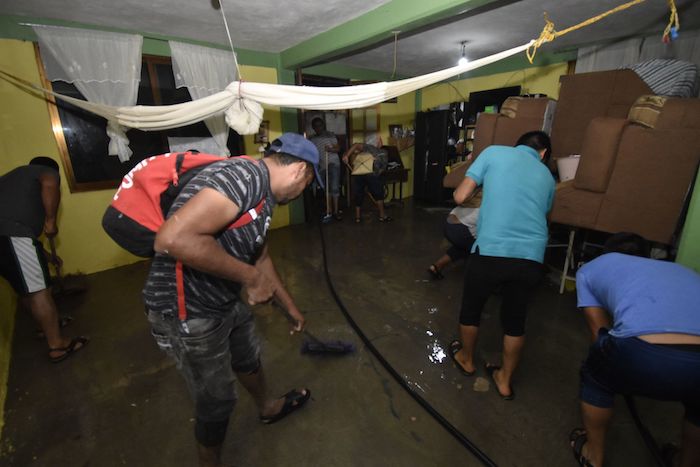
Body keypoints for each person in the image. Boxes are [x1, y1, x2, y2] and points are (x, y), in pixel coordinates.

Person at [143, 133, 321, 467]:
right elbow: (171, 239)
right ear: (300, 172)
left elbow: (261, 256)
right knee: (217, 401)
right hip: (187, 311)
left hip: (223, 297)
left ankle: (267, 407)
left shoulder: (263, 193)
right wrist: (251, 279)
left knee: (248, 356)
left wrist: (289, 305)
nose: (302, 192)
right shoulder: (244, 177)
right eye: (308, 183)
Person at [570, 233, 700, 467]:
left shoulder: (592, 268)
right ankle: (686, 462)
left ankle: (594, 455)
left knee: (596, 376)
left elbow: (599, 332)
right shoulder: (679, 269)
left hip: (643, 350)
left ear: (607, 253)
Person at [449, 131, 555, 400]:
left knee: (472, 308)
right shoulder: (547, 177)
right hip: (531, 255)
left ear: (517, 143)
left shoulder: (494, 152)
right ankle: (505, 380)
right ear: (543, 153)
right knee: (515, 319)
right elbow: (541, 213)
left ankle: (466, 358)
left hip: (491, 249)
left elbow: (461, 197)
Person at [0, 157, 88, 362]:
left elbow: (16, 242)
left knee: (24, 289)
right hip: (13, 235)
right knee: (40, 291)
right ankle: (57, 345)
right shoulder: (45, 172)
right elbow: (49, 183)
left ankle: (44, 326)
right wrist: (50, 221)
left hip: (9, 239)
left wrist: (46, 257)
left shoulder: (9, 180)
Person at [342, 142, 391, 223]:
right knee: (378, 194)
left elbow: (356, 145)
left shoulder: (370, 148)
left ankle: (358, 218)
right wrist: (347, 155)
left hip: (360, 173)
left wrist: (347, 155)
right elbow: (382, 169)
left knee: (359, 194)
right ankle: (382, 216)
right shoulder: (381, 152)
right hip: (368, 174)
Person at [427, 204, 479, 280]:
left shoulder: (477, 197)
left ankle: (436, 266)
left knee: (462, 247)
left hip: (449, 224)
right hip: (460, 230)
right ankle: (476, 277)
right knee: (478, 248)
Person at [309, 117, 342, 221]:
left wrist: (330, 149)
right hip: (322, 166)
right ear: (313, 128)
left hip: (333, 164)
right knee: (326, 189)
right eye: (316, 126)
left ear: (323, 125)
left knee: (334, 188)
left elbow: (338, 148)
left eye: (320, 125)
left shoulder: (330, 135)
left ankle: (336, 212)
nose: (319, 128)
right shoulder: (312, 139)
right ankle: (329, 211)